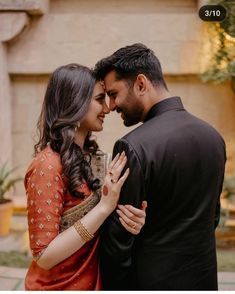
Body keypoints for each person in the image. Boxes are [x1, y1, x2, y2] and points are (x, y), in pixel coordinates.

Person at [94, 43, 226, 290]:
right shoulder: (214, 137)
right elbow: (213, 216)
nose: (111, 106)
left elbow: (119, 241)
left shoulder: (132, 146)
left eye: (113, 94)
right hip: (204, 279)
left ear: (141, 84)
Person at [24, 63, 147, 290]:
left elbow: (102, 226)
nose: (108, 109)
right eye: (100, 99)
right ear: (75, 103)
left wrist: (131, 220)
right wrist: (104, 208)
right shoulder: (47, 165)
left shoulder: (91, 158)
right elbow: (44, 255)